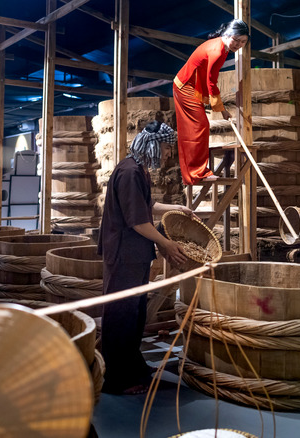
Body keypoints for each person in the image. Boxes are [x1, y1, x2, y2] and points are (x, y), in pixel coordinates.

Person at [97, 120, 191, 395]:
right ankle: (115, 379)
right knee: (121, 314)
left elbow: (146, 205)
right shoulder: (129, 172)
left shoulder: (138, 170)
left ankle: (133, 365)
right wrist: (166, 244)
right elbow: (138, 221)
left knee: (135, 313)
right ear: (152, 144)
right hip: (123, 253)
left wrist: (174, 208)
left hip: (134, 254)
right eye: (166, 148)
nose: (168, 154)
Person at [173, 19, 250, 185]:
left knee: (196, 127)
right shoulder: (217, 51)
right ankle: (197, 172)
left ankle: (194, 173)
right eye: (236, 39)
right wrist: (221, 109)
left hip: (190, 85)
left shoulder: (222, 47)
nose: (238, 44)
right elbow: (211, 82)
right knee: (199, 126)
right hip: (185, 86)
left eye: (243, 41)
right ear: (227, 35)